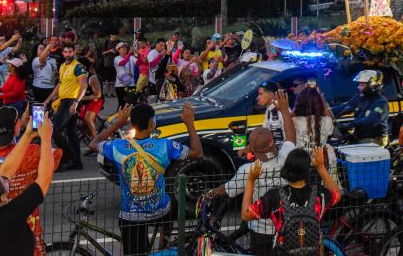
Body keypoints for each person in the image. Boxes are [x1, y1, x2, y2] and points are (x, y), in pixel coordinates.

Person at [90, 103, 203, 256]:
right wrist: (190, 124)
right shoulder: (165, 145)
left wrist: (117, 124)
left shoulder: (117, 146)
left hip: (131, 216)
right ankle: (164, 244)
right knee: (170, 203)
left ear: (131, 123)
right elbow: (197, 153)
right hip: (161, 211)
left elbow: (93, 144)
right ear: (151, 124)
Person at [213, 90, 296, 255]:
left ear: (253, 150)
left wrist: (211, 192)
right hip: (286, 225)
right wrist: (285, 111)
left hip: (261, 230)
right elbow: (291, 137)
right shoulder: (286, 157)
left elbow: (227, 190)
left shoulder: (248, 170)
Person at [241, 147, 341, 255]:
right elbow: (337, 194)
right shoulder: (318, 195)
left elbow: (246, 215)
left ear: (287, 168)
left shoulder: (275, 196)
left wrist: (251, 180)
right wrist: (321, 167)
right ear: (308, 170)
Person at [0, 106, 61, 256]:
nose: (7, 181)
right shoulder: (12, 214)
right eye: (5, 184)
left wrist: (27, 136)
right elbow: (44, 179)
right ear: (3, 197)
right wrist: (46, 139)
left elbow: (5, 172)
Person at [43, 45, 88, 171]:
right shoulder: (63, 66)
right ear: (62, 53)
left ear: (73, 52)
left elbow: (83, 85)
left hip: (70, 101)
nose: (67, 54)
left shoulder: (78, 66)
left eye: (70, 51)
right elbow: (59, 85)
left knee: (55, 129)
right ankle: (77, 162)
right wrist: (48, 100)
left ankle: (68, 157)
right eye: (65, 52)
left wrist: (76, 102)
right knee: (72, 133)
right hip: (63, 101)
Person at [330, 70, 389, 145]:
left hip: (373, 138)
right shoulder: (361, 97)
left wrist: (351, 124)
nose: (359, 87)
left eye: (363, 85)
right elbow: (346, 107)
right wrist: (325, 111)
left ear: (373, 85)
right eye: (359, 84)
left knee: (355, 153)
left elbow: (372, 120)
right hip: (359, 135)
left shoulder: (381, 102)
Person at [78, 74, 104, 149]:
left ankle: (96, 142)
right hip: (86, 100)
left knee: (88, 118)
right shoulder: (79, 77)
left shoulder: (92, 78)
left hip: (96, 99)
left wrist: (83, 98)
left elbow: (98, 95)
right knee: (81, 122)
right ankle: (88, 133)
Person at [113, 42, 136, 107]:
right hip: (120, 85)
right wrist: (129, 54)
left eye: (125, 47)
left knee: (131, 104)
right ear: (118, 50)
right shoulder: (116, 58)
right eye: (122, 47)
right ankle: (120, 116)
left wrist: (139, 54)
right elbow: (122, 63)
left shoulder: (131, 57)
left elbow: (139, 62)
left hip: (131, 84)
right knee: (122, 105)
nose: (124, 48)